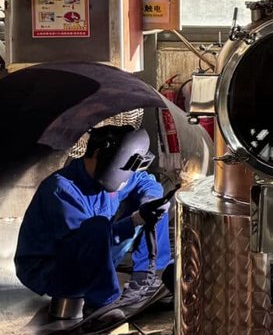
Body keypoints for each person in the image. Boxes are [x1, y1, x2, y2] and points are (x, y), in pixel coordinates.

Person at [14, 124, 173, 310]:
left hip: (96, 254)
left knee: (155, 208)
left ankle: (149, 280)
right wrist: (135, 220)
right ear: (99, 154)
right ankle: (104, 305)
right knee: (98, 226)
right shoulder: (61, 190)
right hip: (53, 270)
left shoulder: (108, 175)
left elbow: (145, 182)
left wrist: (149, 201)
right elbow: (90, 243)